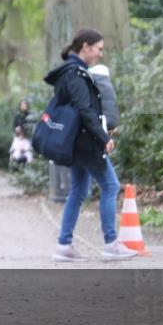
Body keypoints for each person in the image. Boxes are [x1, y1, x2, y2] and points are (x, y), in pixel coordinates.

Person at [44, 29, 136, 262]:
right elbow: (85, 112)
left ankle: (64, 246)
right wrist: (104, 137)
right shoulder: (75, 74)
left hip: (75, 142)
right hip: (86, 142)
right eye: (98, 49)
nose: (100, 54)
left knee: (78, 190)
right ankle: (111, 244)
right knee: (111, 186)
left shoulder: (69, 71)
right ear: (86, 46)